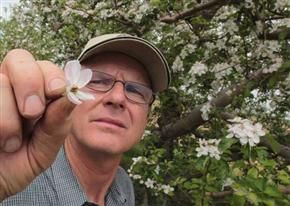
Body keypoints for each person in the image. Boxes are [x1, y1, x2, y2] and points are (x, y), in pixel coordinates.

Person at [0, 33, 170, 206]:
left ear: (147, 115)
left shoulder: (123, 186)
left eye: (136, 90)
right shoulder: (14, 181)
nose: (118, 98)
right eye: (98, 80)